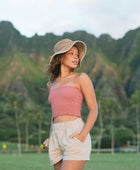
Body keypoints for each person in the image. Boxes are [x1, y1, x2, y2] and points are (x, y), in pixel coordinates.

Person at [43, 39, 98, 170]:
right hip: (56, 135)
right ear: (60, 57)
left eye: (77, 55)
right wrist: (51, 137)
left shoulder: (81, 78)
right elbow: (54, 114)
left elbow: (94, 109)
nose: (76, 57)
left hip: (75, 132)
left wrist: (82, 136)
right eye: (71, 53)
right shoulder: (51, 84)